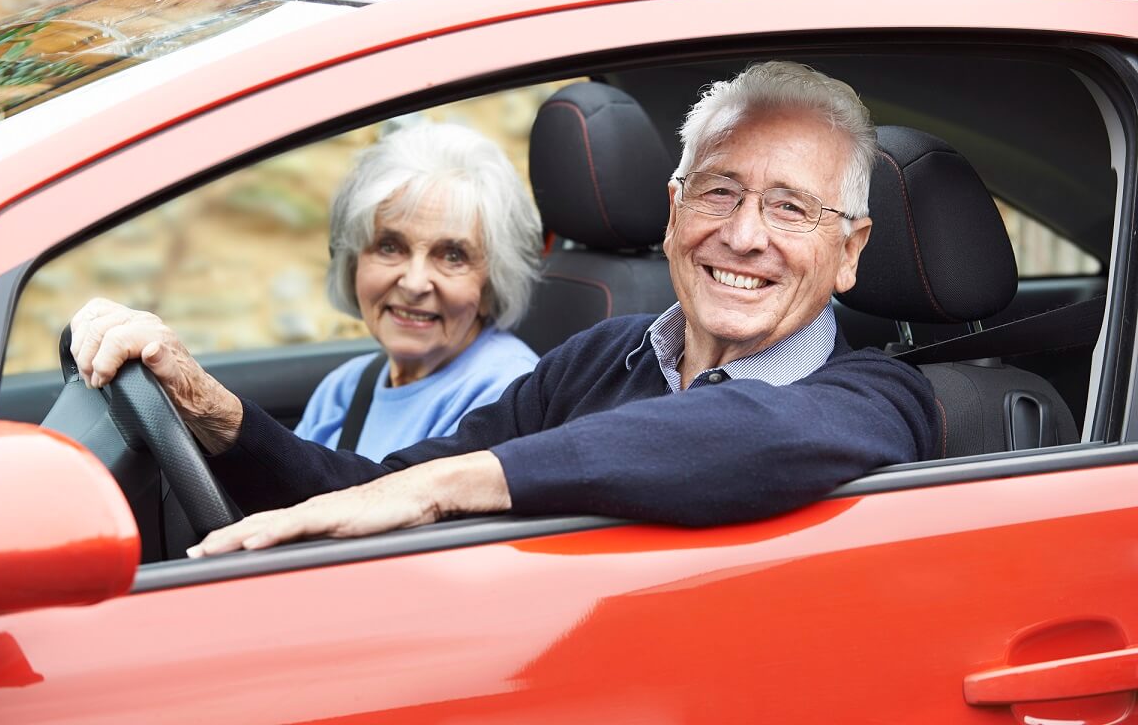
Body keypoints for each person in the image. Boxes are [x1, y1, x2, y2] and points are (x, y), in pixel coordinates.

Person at [69, 61, 940, 557]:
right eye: (718, 192)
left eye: (791, 208)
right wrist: (212, 411)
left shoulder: (878, 399)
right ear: (674, 214)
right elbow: (375, 493)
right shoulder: (601, 358)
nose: (745, 235)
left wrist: (454, 489)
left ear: (852, 251)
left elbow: (744, 432)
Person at [294, 121, 541, 460]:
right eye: (389, 247)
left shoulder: (507, 397)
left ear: (493, 283)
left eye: (453, 255)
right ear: (352, 261)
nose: (413, 283)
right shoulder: (345, 387)